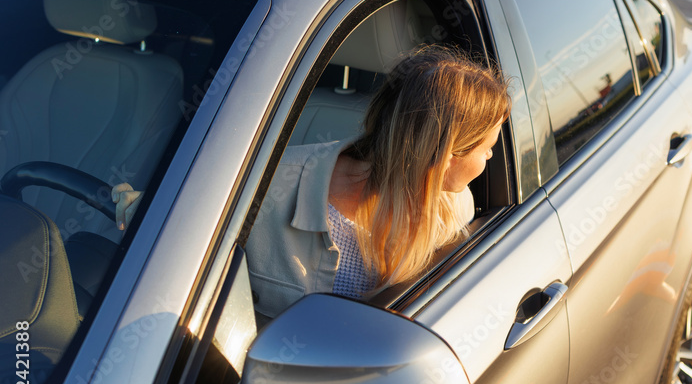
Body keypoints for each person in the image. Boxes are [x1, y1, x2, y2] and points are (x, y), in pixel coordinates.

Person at [114, 45, 510, 315]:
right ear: (446, 154)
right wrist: (142, 209)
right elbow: (179, 227)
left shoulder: (455, 207)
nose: (491, 157)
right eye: (487, 148)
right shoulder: (268, 186)